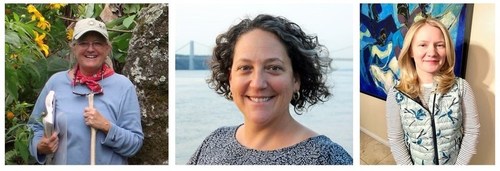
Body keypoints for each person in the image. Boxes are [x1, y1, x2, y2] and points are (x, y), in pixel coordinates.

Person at [187, 14, 353, 165]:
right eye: (245, 67)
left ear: (296, 79)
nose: (258, 83)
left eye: (273, 68)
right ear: (230, 78)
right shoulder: (214, 141)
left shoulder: (328, 159)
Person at [28, 18, 144, 164]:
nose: (90, 49)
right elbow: (34, 127)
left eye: (97, 43)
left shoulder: (123, 86)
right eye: (83, 43)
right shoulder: (56, 83)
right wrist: (40, 145)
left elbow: (135, 144)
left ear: (107, 48)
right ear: (74, 47)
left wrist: (106, 127)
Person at [386, 18, 480, 165]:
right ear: (410, 50)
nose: (432, 52)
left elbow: (472, 132)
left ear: (447, 50)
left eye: (439, 45)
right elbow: (396, 139)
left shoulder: (462, 88)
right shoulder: (396, 94)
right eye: (423, 45)